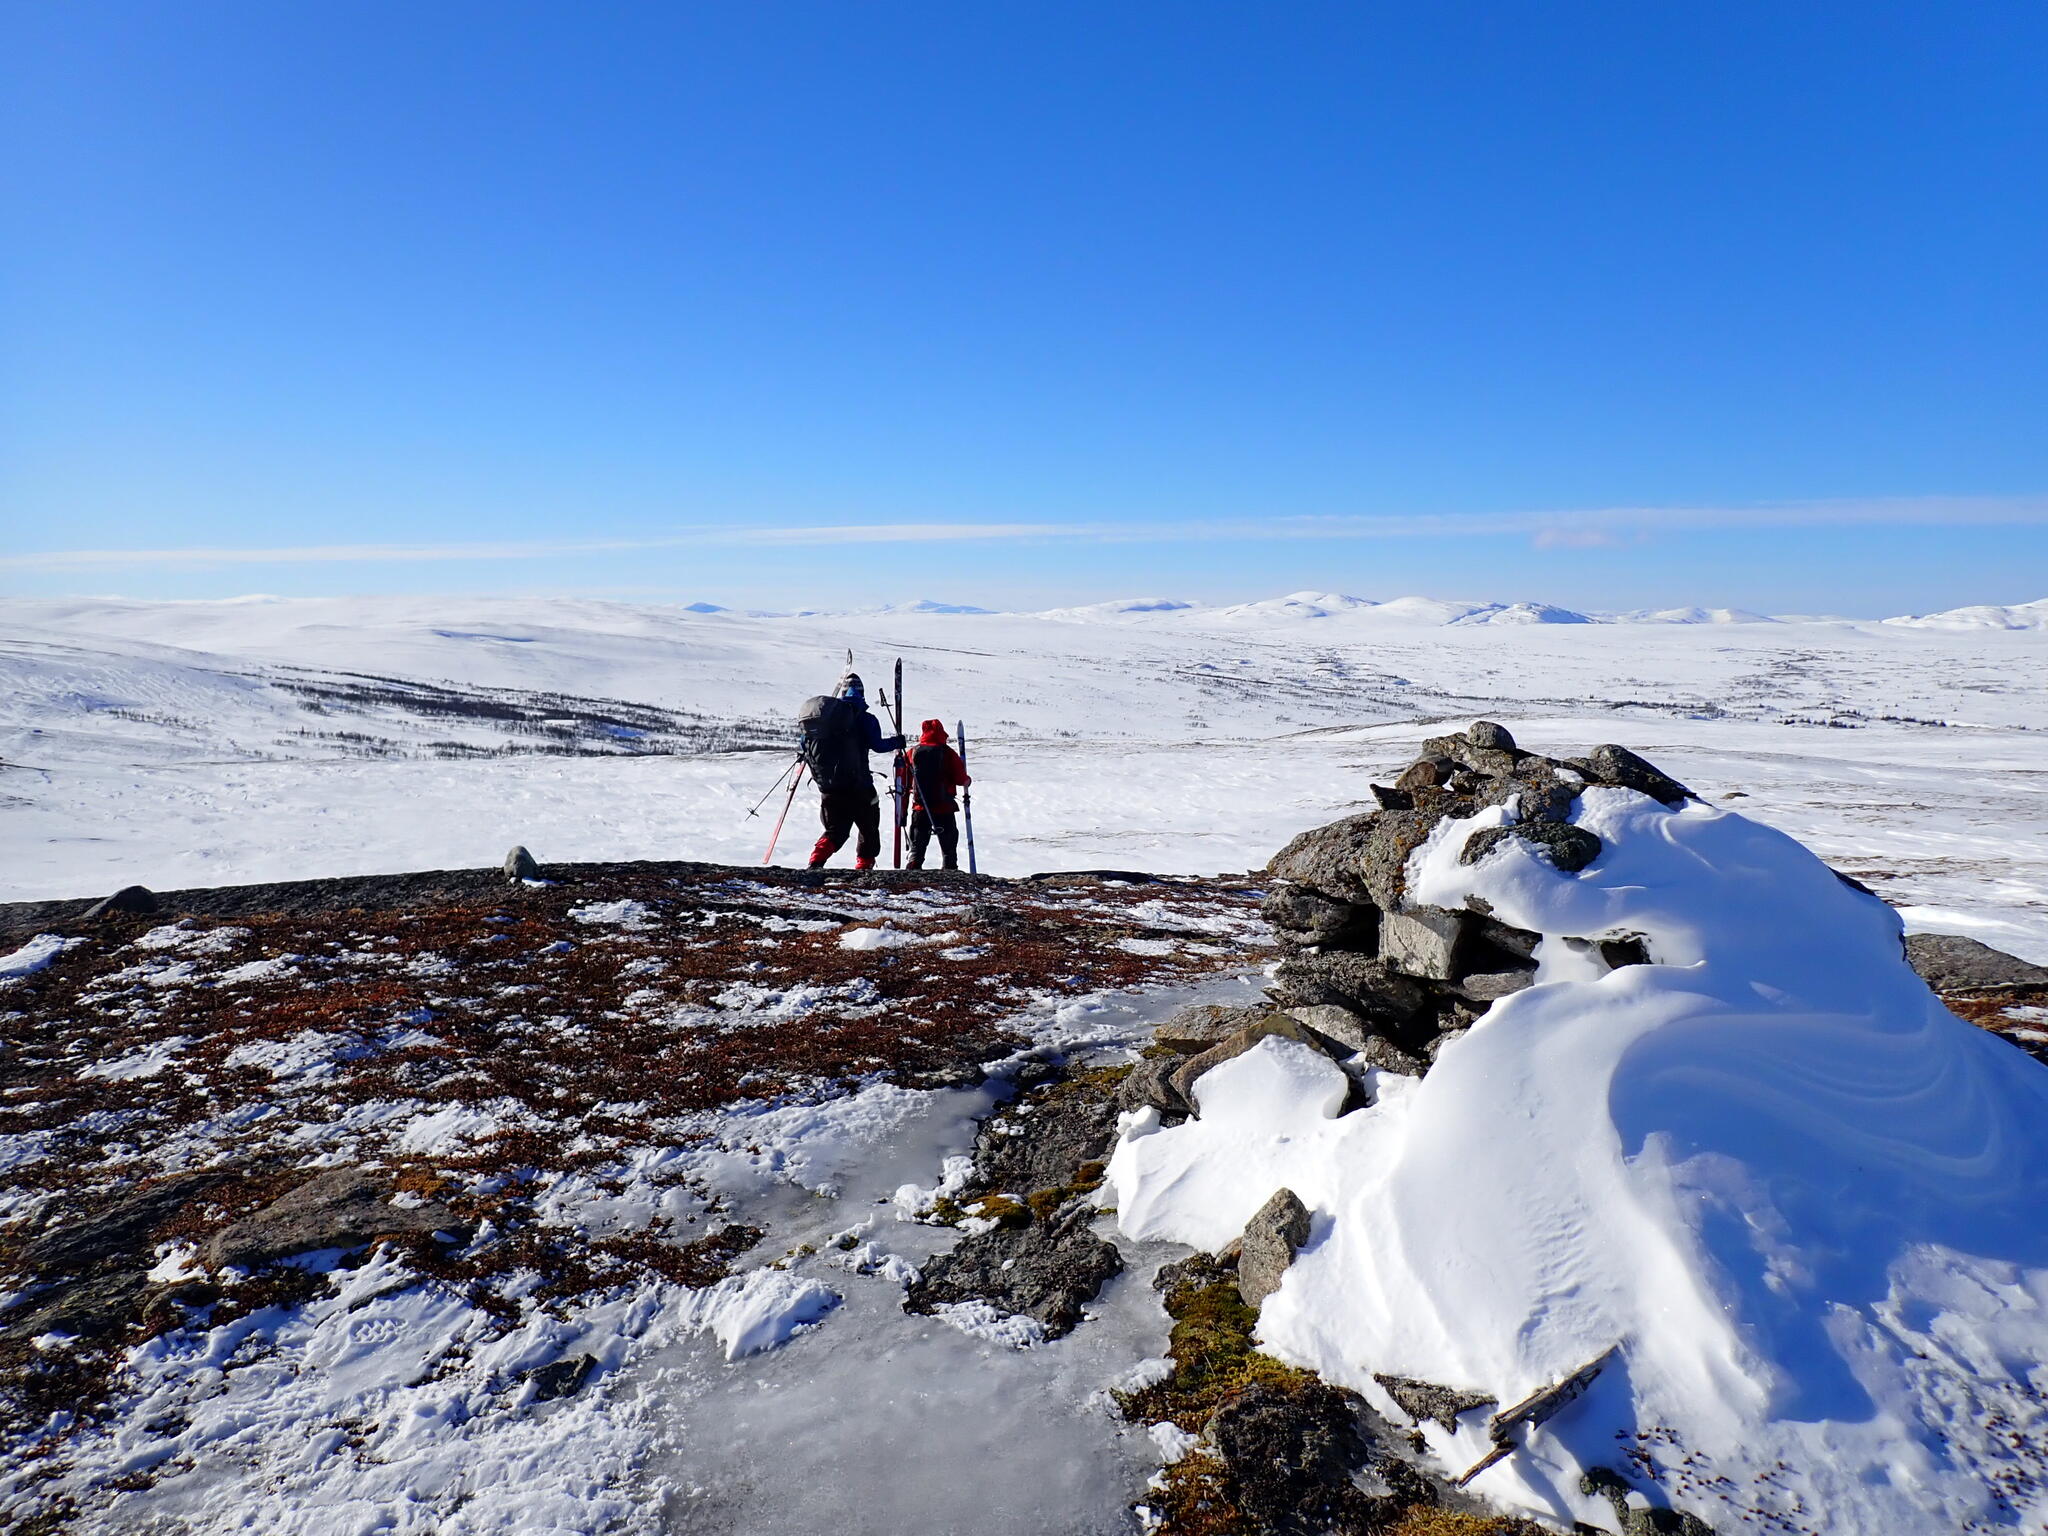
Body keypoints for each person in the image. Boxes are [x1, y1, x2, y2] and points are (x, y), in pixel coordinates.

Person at [805, 673, 904, 871]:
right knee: (868, 827)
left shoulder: (825, 721)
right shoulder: (866, 719)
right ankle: (864, 865)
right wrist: (897, 742)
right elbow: (878, 745)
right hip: (861, 786)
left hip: (830, 788)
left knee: (835, 830)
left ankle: (816, 861)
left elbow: (805, 743)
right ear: (862, 694)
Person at [904, 718, 971, 870]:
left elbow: (904, 778)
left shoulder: (912, 752)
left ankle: (913, 867)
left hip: (920, 807)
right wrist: (967, 781)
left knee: (918, 843)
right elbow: (960, 779)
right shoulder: (947, 753)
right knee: (948, 846)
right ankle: (949, 869)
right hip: (944, 807)